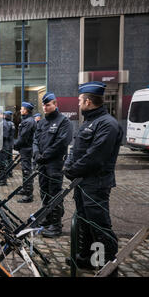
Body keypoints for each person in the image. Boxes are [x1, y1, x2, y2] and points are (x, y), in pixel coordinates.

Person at [64, 82, 123, 276]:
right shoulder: (89, 121)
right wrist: (70, 165)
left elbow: (96, 156)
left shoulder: (107, 124)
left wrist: (72, 170)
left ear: (88, 101)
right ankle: (87, 259)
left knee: (99, 226)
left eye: (80, 100)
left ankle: (109, 267)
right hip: (83, 182)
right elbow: (77, 148)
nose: (78, 103)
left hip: (96, 184)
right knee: (84, 222)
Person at [33, 92, 72, 238]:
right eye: (44, 105)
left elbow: (61, 143)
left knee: (54, 193)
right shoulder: (42, 122)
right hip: (42, 163)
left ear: (55, 104)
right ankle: (47, 218)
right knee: (44, 192)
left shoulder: (64, 122)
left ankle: (56, 225)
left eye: (48, 104)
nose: (45, 107)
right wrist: (36, 153)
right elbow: (35, 140)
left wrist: (44, 156)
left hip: (54, 164)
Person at [14, 102, 37, 203]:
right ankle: (25, 189)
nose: (20, 110)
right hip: (25, 148)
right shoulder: (27, 120)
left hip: (26, 149)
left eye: (22, 108)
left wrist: (15, 145)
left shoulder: (28, 121)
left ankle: (28, 194)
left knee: (27, 171)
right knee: (25, 170)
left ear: (26, 110)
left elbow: (23, 137)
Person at [3, 111, 16, 177]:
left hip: (6, 144)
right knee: (9, 159)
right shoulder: (12, 123)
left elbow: (6, 135)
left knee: (5, 159)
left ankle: (7, 173)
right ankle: (10, 172)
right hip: (10, 144)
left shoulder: (6, 123)